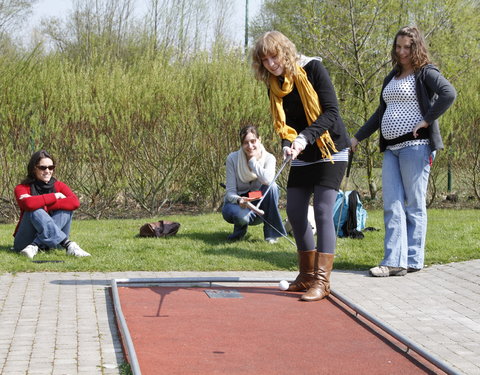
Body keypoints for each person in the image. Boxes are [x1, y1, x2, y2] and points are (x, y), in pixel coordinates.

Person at [251, 31, 351, 301]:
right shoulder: (275, 84)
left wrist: (305, 137)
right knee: (295, 211)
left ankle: (322, 281)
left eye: (274, 56)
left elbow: (331, 112)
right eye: (265, 60)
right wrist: (286, 142)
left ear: (285, 51)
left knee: (321, 209)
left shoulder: (313, 68)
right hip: (302, 153)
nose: (271, 64)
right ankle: (306, 276)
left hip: (331, 150)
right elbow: (284, 122)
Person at [350, 26, 456, 277]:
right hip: (392, 148)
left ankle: (412, 260)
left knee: (414, 204)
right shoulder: (392, 77)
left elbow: (448, 94)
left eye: (407, 47)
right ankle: (393, 260)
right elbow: (380, 113)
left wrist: (427, 120)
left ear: (416, 47)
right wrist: (357, 137)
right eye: (398, 47)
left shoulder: (425, 73)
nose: (401, 51)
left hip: (416, 147)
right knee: (392, 204)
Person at [13, 150, 91, 259]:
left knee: (65, 211)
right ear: (33, 168)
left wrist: (39, 202)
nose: (47, 171)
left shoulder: (59, 185)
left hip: (53, 244)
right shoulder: (22, 188)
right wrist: (55, 196)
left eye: (51, 167)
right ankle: (68, 245)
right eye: (43, 167)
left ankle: (35, 246)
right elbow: (29, 205)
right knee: (34, 210)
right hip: (24, 242)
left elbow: (74, 202)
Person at [222, 125, 287, 243]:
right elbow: (230, 193)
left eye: (253, 141)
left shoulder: (269, 158)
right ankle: (238, 233)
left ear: (259, 139)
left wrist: (253, 162)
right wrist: (239, 200)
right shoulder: (232, 158)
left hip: (259, 201)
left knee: (273, 187)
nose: (250, 146)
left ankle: (271, 235)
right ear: (241, 144)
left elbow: (267, 181)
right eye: (246, 143)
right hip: (238, 202)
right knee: (241, 216)